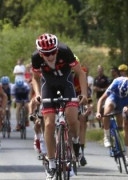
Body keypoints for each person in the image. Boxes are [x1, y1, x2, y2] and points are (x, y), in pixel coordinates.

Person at [31, 33, 88, 179]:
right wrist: (37, 94)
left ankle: (75, 141)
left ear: (57, 49)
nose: (50, 56)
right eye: (46, 53)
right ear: (40, 53)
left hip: (66, 85)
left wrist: (84, 95)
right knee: (49, 124)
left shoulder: (65, 51)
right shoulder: (36, 58)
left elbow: (80, 73)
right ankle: (51, 162)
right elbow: (36, 78)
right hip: (48, 87)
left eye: (52, 52)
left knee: (72, 117)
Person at [96, 76, 128, 166]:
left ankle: (126, 155)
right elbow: (101, 99)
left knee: (127, 125)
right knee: (107, 112)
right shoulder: (115, 84)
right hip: (114, 97)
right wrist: (98, 112)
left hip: (127, 101)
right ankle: (106, 136)